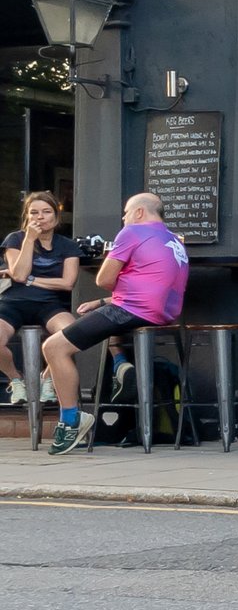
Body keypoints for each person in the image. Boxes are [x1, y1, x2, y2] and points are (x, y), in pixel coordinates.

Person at [41, 192, 188, 454]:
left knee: (54, 348)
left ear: (140, 212)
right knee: (101, 323)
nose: (124, 218)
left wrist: (108, 294)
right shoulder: (174, 241)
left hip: (132, 310)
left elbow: (104, 280)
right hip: (160, 315)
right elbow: (150, 285)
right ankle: (120, 367)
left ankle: (72, 420)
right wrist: (101, 303)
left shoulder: (131, 233)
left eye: (126, 212)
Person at [1, 192, 79, 406]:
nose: (40, 217)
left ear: (56, 216)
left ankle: (47, 379)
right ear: (27, 216)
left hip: (49, 304)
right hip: (13, 303)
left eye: (46, 212)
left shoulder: (68, 246)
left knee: (72, 333)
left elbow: (67, 283)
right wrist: (29, 239)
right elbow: (18, 275)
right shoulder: (16, 239)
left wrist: (32, 280)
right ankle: (16, 380)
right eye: (34, 212)